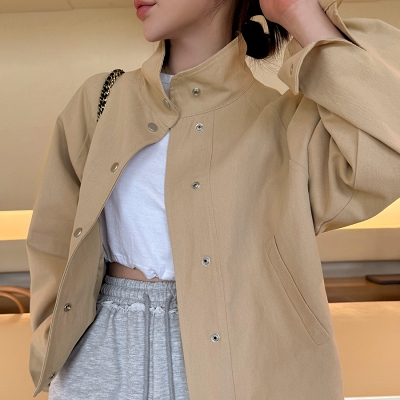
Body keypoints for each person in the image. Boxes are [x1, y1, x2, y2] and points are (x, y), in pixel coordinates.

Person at [27, 0, 400, 399]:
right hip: (101, 356)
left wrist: (298, 12)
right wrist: (52, 342)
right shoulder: (100, 101)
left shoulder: (289, 124)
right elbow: (53, 238)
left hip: (242, 363)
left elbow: (387, 151)